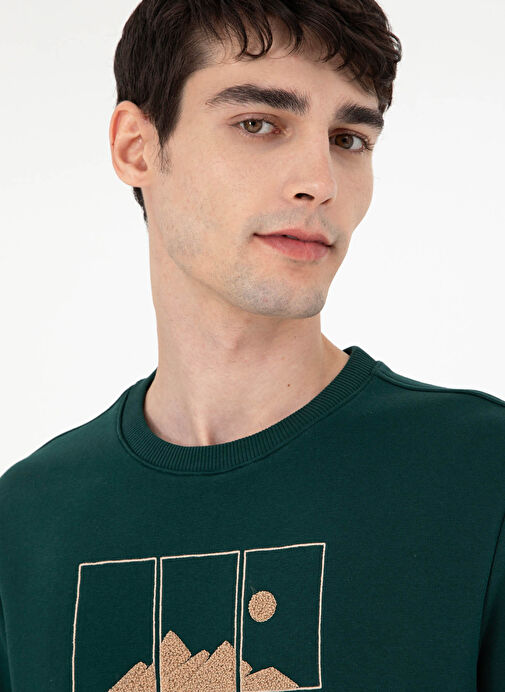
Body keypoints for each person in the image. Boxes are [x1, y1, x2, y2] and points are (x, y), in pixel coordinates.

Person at [1, 1, 504, 690]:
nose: (319, 183)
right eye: (258, 124)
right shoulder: (26, 523)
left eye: (349, 138)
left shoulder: (479, 476)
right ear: (136, 148)